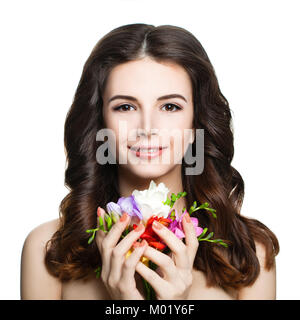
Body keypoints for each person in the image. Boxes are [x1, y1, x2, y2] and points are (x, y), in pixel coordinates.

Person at [20, 23, 279, 300]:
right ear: (100, 123)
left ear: (196, 123)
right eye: (125, 107)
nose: (147, 127)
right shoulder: (48, 250)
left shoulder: (249, 253)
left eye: (170, 107)